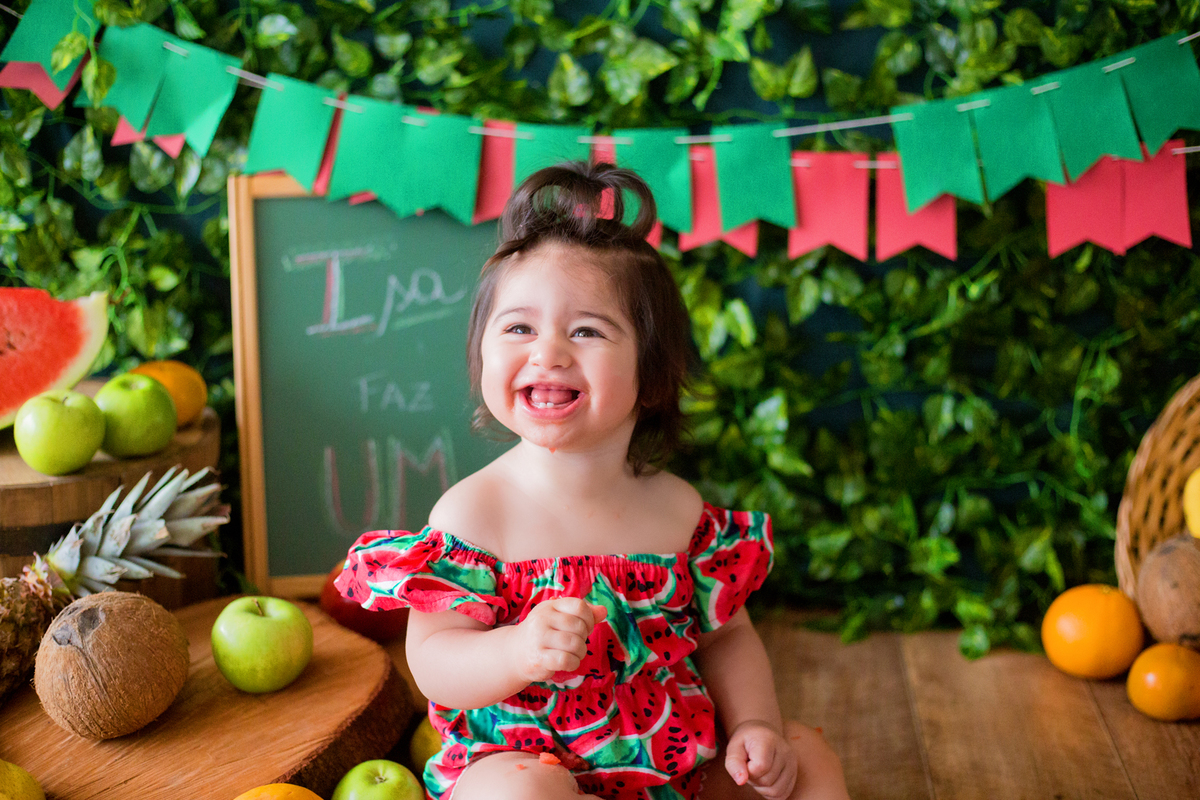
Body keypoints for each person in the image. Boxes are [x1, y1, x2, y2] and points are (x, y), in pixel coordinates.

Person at [336, 161, 850, 800]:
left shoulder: (677, 511)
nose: (547, 352)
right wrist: (518, 650)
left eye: (585, 331)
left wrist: (754, 725)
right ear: (483, 355)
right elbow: (435, 665)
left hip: (677, 774)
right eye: (519, 327)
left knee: (809, 759)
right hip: (528, 767)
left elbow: (729, 637)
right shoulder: (474, 516)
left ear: (652, 371)